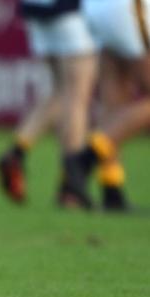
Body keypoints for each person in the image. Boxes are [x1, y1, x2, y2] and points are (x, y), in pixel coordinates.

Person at [0, 0, 97, 208]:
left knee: (61, 92)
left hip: (36, 10)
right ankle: (71, 187)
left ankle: (17, 151)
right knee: (77, 98)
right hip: (69, 11)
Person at [64, 0, 150, 210]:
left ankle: (112, 189)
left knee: (114, 97)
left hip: (96, 8)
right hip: (129, 8)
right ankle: (85, 157)